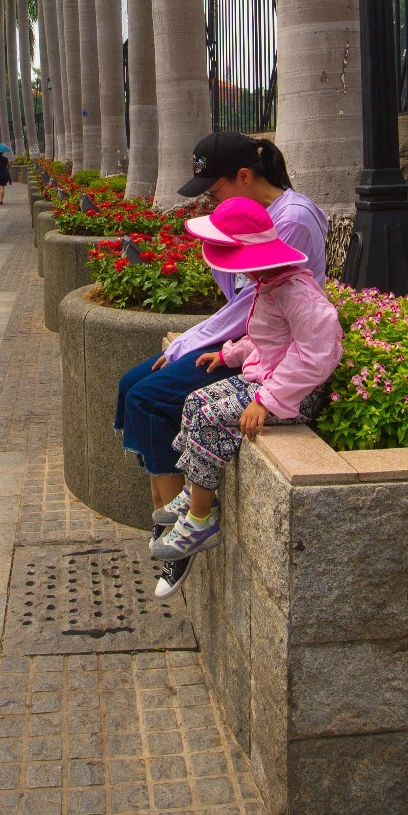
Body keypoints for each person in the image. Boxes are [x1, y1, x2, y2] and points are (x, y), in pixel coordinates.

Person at [114, 132, 329, 596]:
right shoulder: (246, 223)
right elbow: (254, 314)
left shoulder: (286, 227)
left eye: (214, 190)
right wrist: (223, 349)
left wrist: (193, 344)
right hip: (248, 347)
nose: (209, 202)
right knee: (130, 385)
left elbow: (269, 318)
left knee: (151, 398)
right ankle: (177, 502)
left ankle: (188, 529)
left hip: (275, 372)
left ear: (245, 177)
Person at [148, 197, 341, 585]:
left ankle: (201, 519)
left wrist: (266, 402)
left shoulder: (296, 294)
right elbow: (268, 339)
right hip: (267, 380)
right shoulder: (272, 286)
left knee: (208, 415)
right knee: (195, 401)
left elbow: (317, 354)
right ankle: (195, 492)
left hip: (293, 395)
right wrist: (229, 354)